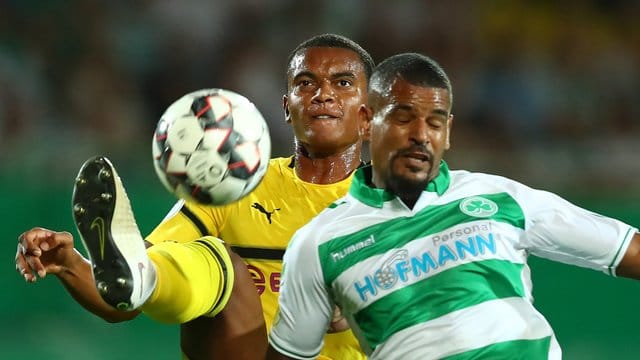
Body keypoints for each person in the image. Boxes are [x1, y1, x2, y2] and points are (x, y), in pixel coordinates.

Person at [15, 33, 374, 360]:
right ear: (286, 107)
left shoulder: (397, 206)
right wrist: (70, 264)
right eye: (305, 83)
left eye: (342, 83)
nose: (322, 94)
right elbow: (123, 304)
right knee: (215, 260)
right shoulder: (233, 181)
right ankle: (146, 275)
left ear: (368, 115)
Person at [265, 52, 640, 360]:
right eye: (403, 118)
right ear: (366, 121)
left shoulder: (501, 198)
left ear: (448, 132)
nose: (420, 136)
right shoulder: (318, 243)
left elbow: (628, 249)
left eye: (435, 122)